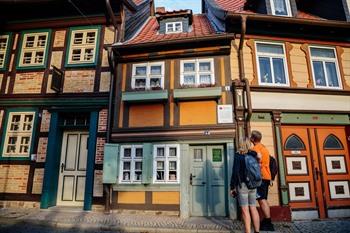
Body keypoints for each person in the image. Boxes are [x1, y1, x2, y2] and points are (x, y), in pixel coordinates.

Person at [230, 138, 260, 233]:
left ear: (240, 144)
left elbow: (235, 172)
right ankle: (257, 231)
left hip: (243, 186)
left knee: (245, 210)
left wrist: (232, 187)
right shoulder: (253, 154)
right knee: (253, 208)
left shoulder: (238, 156)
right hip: (253, 185)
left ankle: (247, 231)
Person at [250, 130, 274, 231]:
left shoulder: (254, 149)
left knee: (262, 199)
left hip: (261, 177)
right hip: (266, 176)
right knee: (263, 199)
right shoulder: (264, 148)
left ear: (253, 139)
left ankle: (268, 222)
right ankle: (267, 221)